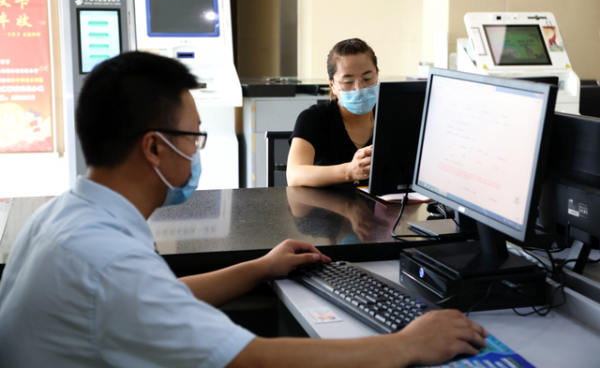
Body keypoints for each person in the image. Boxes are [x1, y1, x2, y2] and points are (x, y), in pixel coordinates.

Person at [0, 51, 488, 368]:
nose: (198, 151)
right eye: (194, 137)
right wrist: (405, 344)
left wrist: (261, 267)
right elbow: (251, 359)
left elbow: (161, 297)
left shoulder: (68, 218)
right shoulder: (106, 260)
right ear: (153, 147)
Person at [287, 38, 380, 188]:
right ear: (332, 85)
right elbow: (294, 175)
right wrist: (349, 171)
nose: (360, 88)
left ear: (377, 74)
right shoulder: (314, 118)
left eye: (368, 77)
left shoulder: (393, 116)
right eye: (348, 81)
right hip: (324, 203)